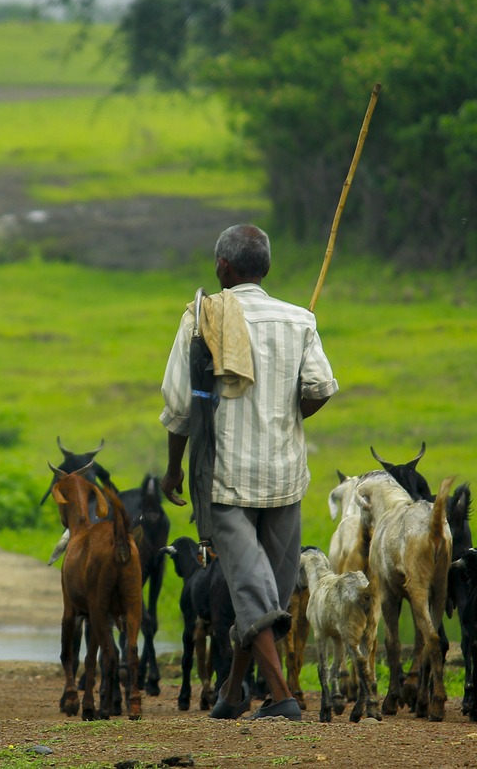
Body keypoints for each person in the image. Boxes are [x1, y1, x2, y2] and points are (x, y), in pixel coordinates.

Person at [159, 223, 337, 721]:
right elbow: (320, 387)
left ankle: (281, 699)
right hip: (285, 477)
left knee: (255, 592)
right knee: (266, 591)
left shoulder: (201, 318)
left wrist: (174, 470)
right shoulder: (299, 319)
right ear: (266, 268)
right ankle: (235, 692)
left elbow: (179, 406)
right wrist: (288, 415)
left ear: (223, 267)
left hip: (226, 481)